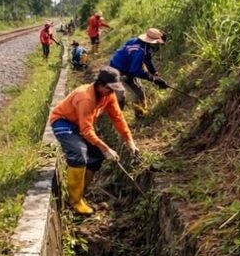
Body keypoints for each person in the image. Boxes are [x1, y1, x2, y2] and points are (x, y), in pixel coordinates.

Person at [49, 66, 139, 215]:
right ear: (100, 84)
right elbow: (86, 130)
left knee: (96, 156)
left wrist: (129, 141)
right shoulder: (86, 97)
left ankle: (80, 193)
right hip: (63, 122)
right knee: (79, 154)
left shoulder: (107, 96)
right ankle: (75, 201)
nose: (112, 92)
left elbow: (118, 117)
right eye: (110, 88)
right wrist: (106, 148)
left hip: (79, 124)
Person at [109, 27, 168, 114]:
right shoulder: (140, 50)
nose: (158, 46)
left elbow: (147, 59)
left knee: (140, 91)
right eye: (157, 44)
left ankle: (143, 111)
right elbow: (134, 70)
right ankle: (132, 114)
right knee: (132, 94)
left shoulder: (140, 44)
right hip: (118, 71)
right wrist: (153, 79)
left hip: (127, 68)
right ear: (151, 42)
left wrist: (154, 73)